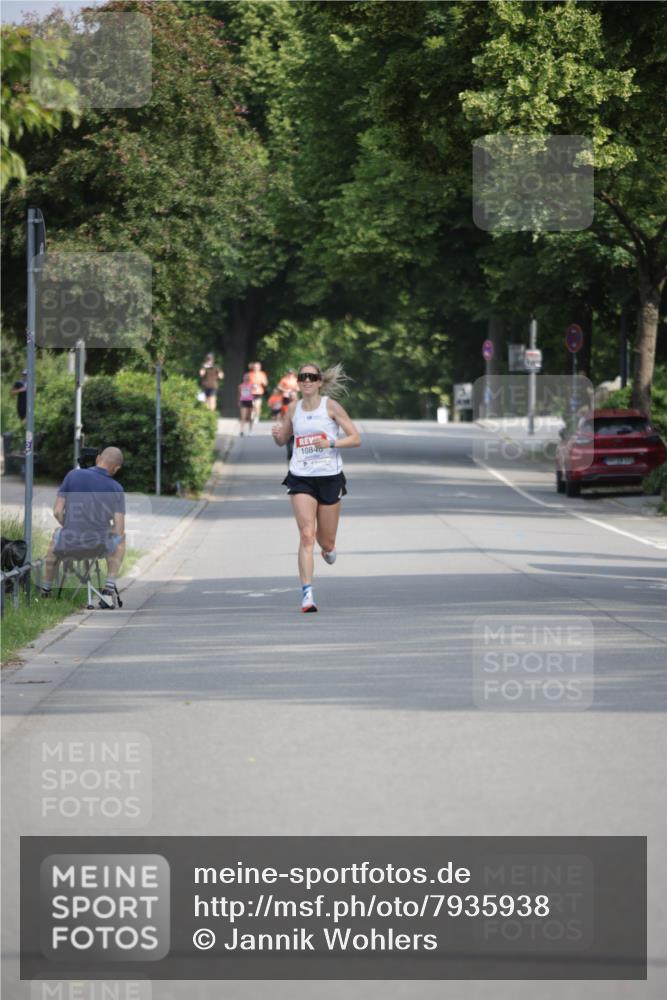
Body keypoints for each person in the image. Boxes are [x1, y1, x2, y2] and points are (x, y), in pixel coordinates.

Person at [271, 363, 361, 613]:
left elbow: (356, 438)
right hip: (301, 476)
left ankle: (329, 550)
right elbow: (282, 440)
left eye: (312, 377)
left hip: (329, 477)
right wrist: (276, 434)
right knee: (306, 535)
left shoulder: (330, 407)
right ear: (298, 382)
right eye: (303, 377)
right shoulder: (293, 408)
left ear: (320, 381)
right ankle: (307, 595)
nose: (307, 381)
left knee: (326, 541)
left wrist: (331, 444)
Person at [41, 447, 126, 609]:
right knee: (121, 540)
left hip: (68, 544)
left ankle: (46, 590)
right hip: (96, 546)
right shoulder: (116, 488)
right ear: (116, 468)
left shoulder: (72, 475)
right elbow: (119, 530)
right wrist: (104, 530)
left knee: (55, 536)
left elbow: (57, 511)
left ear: (98, 458)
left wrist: (71, 526)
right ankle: (108, 590)